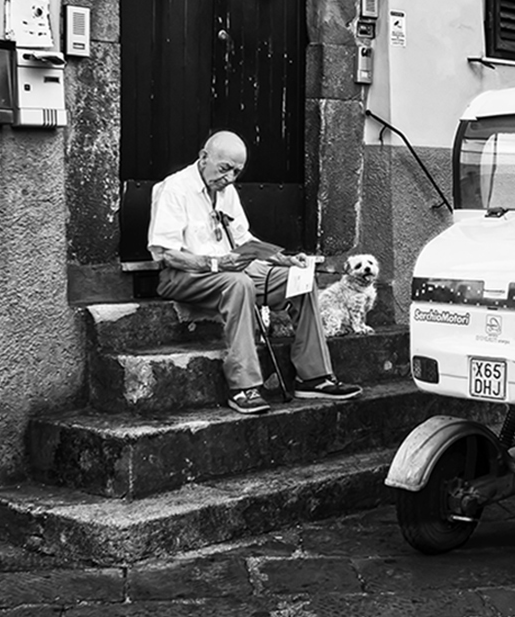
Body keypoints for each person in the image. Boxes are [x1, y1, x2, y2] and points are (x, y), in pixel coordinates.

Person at [148, 131, 361, 414]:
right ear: (203, 158)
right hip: (185, 276)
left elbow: (245, 241)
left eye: (237, 172)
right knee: (238, 284)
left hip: (229, 273)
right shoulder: (174, 188)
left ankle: (313, 377)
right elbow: (165, 254)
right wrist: (216, 265)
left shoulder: (227, 191)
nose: (230, 178)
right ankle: (243, 387)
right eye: (225, 169)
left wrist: (283, 259)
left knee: (300, 280)